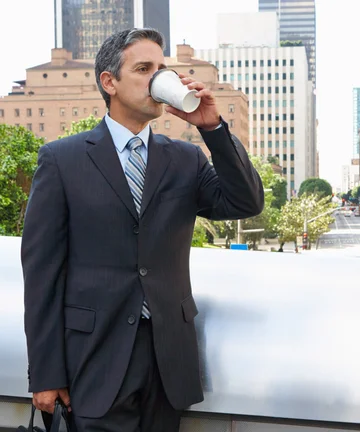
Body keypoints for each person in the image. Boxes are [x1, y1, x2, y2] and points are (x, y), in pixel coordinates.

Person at [20, 28, 264, 431]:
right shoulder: (61, 161)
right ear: (109, 82)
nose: (156, 78)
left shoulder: (185, 160)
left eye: (162, 69)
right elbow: (42, 274)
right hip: (93, 362)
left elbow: (245, 203)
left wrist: (212, 128)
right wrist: (45, 375)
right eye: (143, 68)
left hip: (168, 363)